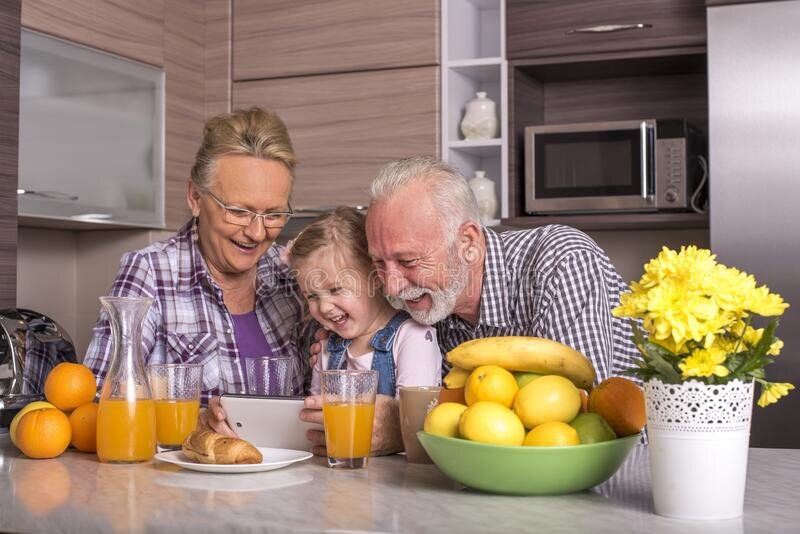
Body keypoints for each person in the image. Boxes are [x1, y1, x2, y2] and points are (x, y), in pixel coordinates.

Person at [301, 155, 640, 454]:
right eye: (379, 263)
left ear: (468, 243)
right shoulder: (420, 300)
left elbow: (576, 427)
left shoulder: (560, 262)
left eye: (408, 261)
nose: (392, 285)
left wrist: (405, 430)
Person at [84, 107, 308, 435]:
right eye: (239, 211)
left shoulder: (293, 275)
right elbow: (96, 402)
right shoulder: (151, 272)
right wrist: (195, 424)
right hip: (187, 486)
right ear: (195, 198)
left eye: (273, 214)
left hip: (293, 481)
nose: (258, 233)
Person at [289, 207, 442, 455]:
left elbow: (417, 423)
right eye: (312, 296)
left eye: (337, 290)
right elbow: (318, 420)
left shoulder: (412, 336)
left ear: (375, 279)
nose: (325, 307)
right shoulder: (328, 347)